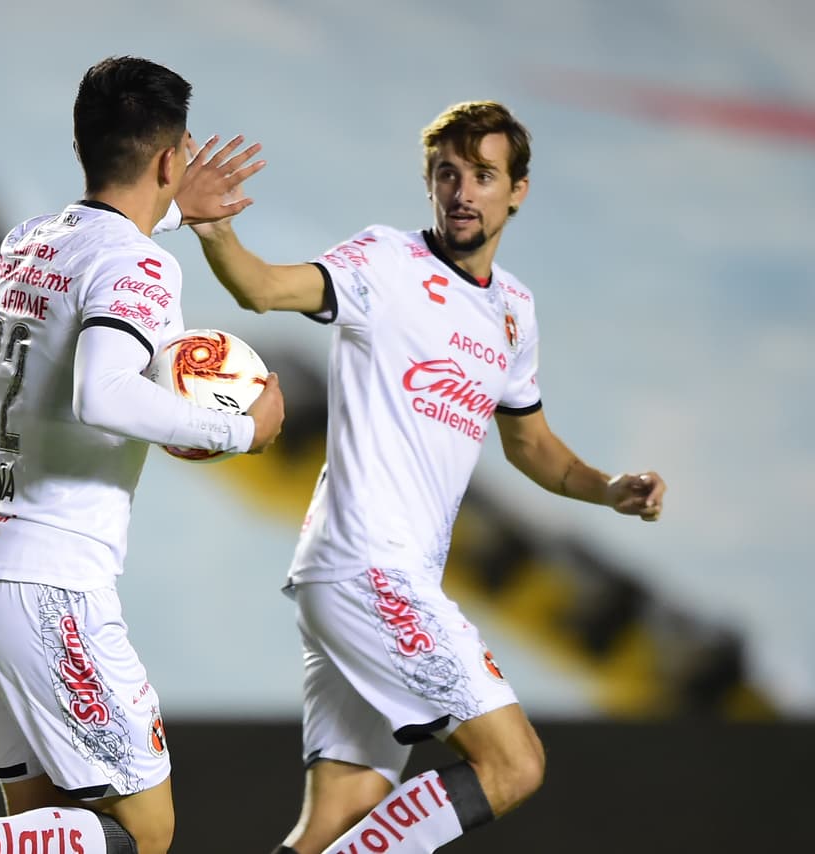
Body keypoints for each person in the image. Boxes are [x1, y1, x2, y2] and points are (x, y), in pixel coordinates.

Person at [0, 56, 284, 854]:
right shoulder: (140, 266)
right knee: (144, 832)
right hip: (49, 582)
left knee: (44, 832)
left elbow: (97, 254)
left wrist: (172, 212)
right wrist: (241, 430)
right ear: (170, 160)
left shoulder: (31, 240)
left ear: (82, 145)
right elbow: (103, 393)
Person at [191, 100, 667, 853]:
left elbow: (532, 446)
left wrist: (607, 488)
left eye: (483, 175)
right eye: (448, 174)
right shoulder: (385, 262)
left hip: (367, 579)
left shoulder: (513, 311)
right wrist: (216, 230)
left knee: (336, 823)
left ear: (517, 190)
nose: (462, 192)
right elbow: (265, 288)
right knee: (513, 764)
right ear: (429, 184)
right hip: (368, 571)